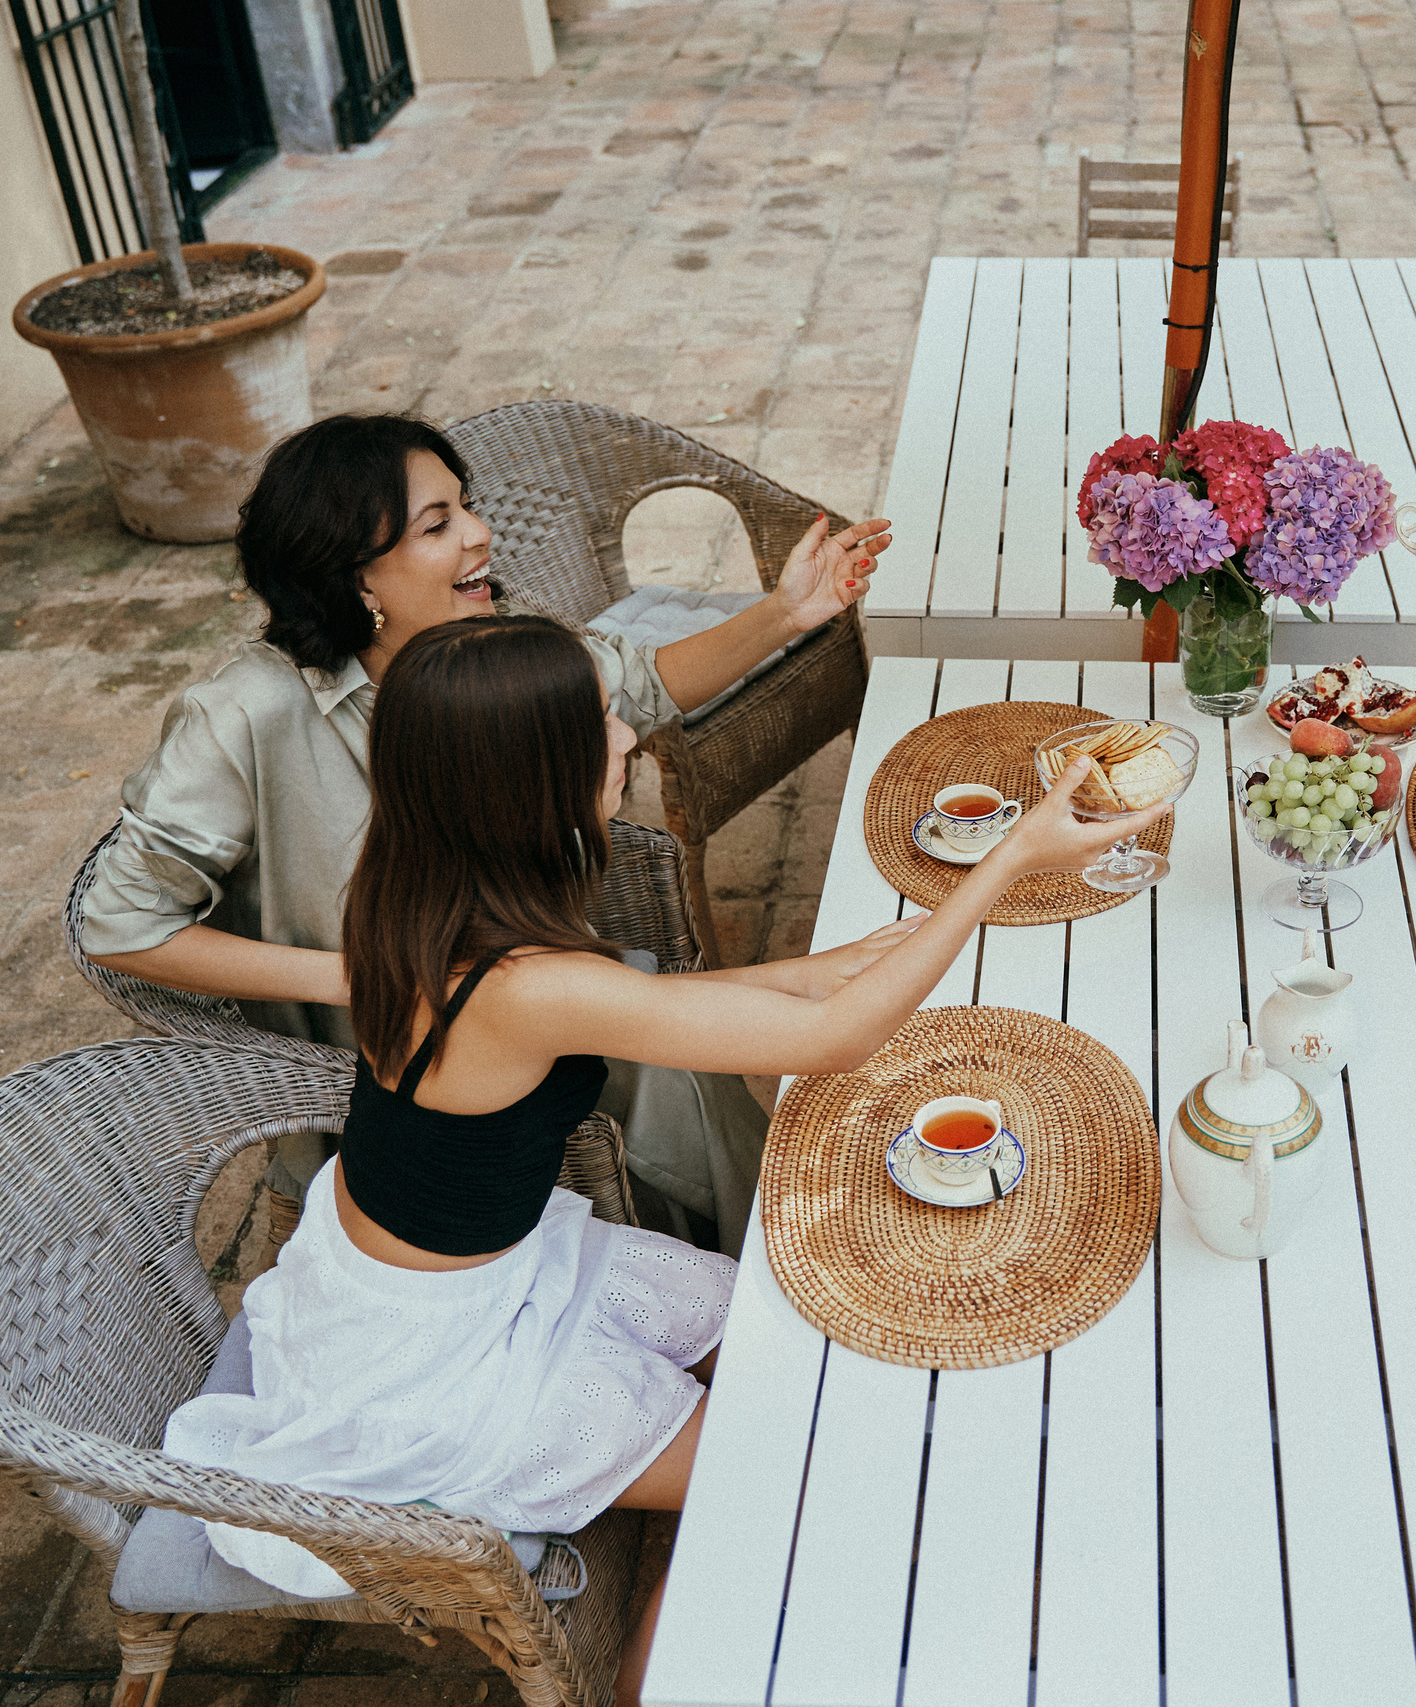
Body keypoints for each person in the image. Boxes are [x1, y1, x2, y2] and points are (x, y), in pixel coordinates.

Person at [158, 614, 1163, 1705]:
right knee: (791, 1470)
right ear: (532, 776)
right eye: (599, 720)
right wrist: (1009, 861)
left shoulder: (416, 885)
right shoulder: (521, 976)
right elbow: (829, 1045)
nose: (627, 728)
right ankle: (672, 1657)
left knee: (791, 1336)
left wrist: (807, 967)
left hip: (426, 1277)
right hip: (437, 1373)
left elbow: (630, 1008)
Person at [79, 413, 888, 1256]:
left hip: (526, 979)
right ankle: (770, 1254)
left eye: (466, 506)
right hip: (394, 1060)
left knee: (670, 1033)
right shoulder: (241, 716)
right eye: (439, 524)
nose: (480, 535)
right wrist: (381, 976)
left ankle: (764, 1245)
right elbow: (123, 924)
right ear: (358, 579)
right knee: (675, 1042)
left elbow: (634, 686)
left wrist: (788, 613)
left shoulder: (482, 641)